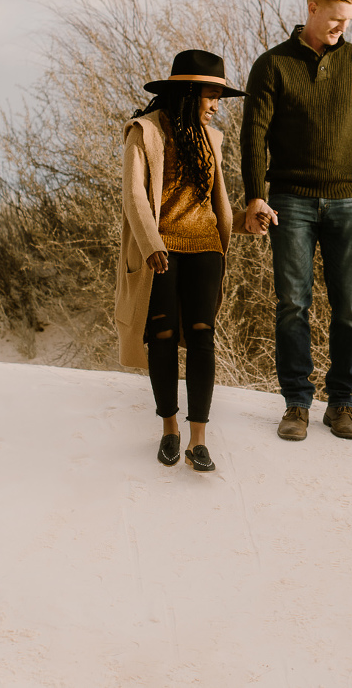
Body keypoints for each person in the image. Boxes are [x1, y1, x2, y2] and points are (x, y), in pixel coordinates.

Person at [241, 0, 352, 442]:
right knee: (293, 304)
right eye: (335, 20)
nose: (341, 29)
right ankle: (296, 403)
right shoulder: (272, 66)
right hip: (290, 200)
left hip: (348, 201)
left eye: (347, 21)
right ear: (311, 8)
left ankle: (342, 403)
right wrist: (255, 195)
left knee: (350, 306)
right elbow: (254, 136)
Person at [115, 49, 246, 471]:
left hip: (206, 247)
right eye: (210, 95)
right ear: (189, 93)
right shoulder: (145, 132)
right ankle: (169, 428)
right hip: (162, 249)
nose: (215, 105)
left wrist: (248, 219)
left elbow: (212, 205)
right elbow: (134, 194)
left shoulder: (213, 140)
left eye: (219, 98)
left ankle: (198, 440)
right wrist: (152, 243)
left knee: (203, 335)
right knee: (164, 334)